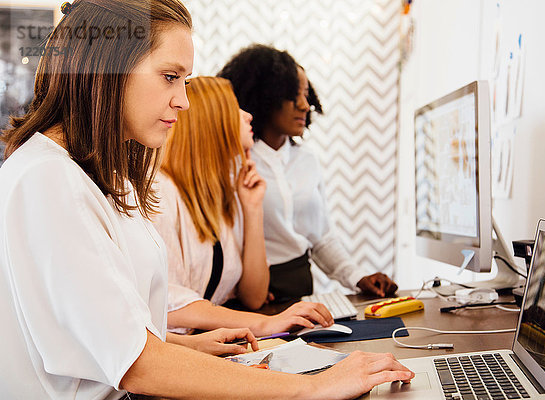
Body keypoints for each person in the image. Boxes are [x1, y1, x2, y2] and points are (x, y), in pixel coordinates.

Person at [0, 1, 413, 398]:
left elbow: (107, 337)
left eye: (185, 81)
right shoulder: (48, 179)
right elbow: (135, 364)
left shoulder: (90, 176)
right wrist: (316, 386)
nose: (183, 100)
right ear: (107, 71)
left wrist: (188, 349)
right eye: (169, 76)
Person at [153, 76, 335, 335]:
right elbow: (168, 301)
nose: (248, 115)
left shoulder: (228, 193)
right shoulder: (160, 191)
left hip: (210, 341)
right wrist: (262, 323)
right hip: (179, 350)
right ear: (212, 121)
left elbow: (255, 296)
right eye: (234, 106)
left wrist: (253, 209)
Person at [218, 44, 399, 301]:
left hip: (301, 292)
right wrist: (239, 287)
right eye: (294, 94)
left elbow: (321, 238)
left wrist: (358, 277)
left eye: (306, 94)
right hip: (249, 296)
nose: (305, 105)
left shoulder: (307, 160)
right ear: (264, 95)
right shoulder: (233, 162)